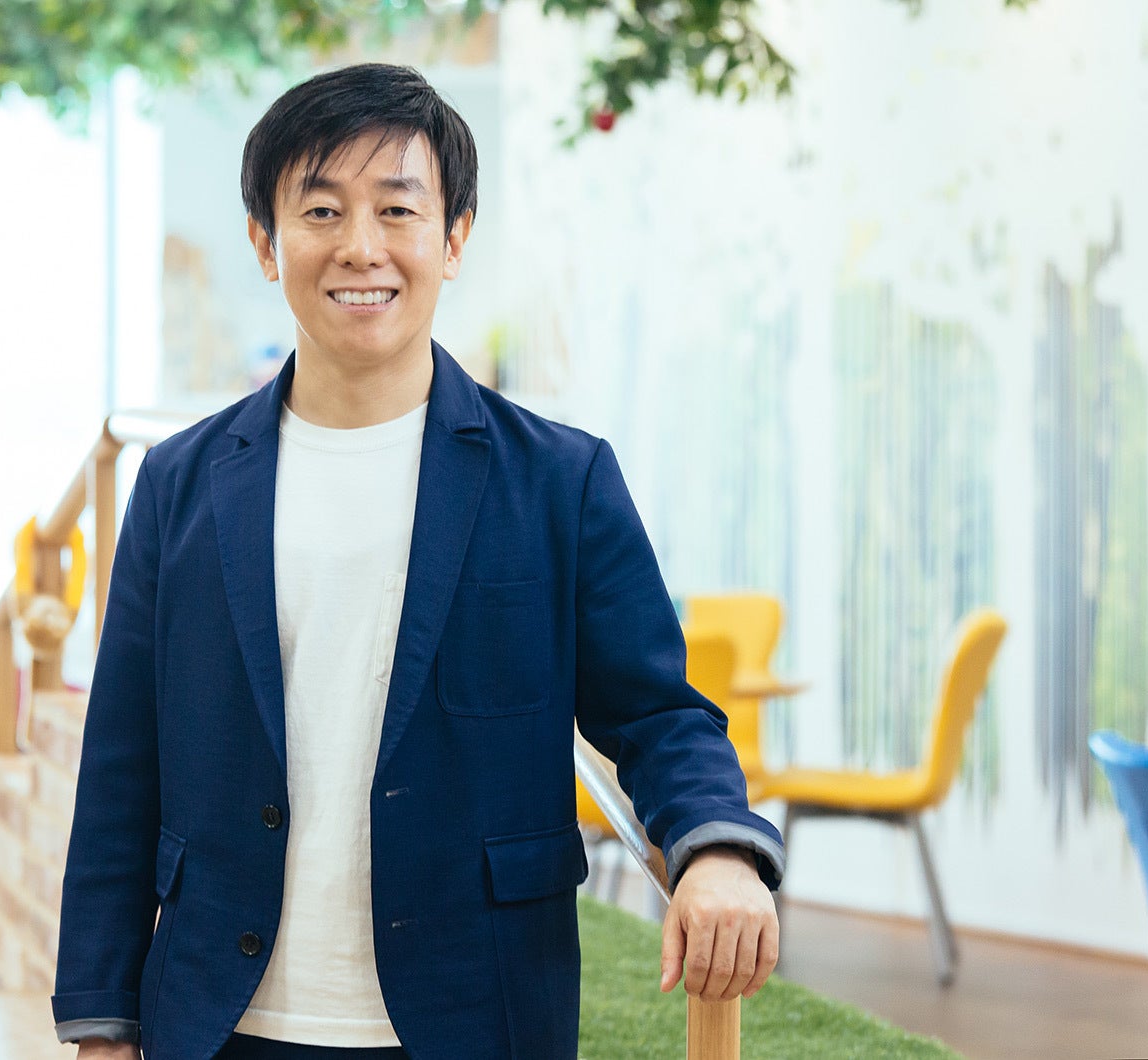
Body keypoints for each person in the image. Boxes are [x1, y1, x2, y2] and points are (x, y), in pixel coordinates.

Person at [52, 62, 784, 1060]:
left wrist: (719, 849)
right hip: (221, 1015)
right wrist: (102, 1021)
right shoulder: (180, 484)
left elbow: (659, 713)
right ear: (266, 242)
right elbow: (121, 765)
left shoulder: (559, 481)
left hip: (475, 1007)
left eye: (398, 209)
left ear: (454, 238)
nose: (362, 247)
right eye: (321, 210)